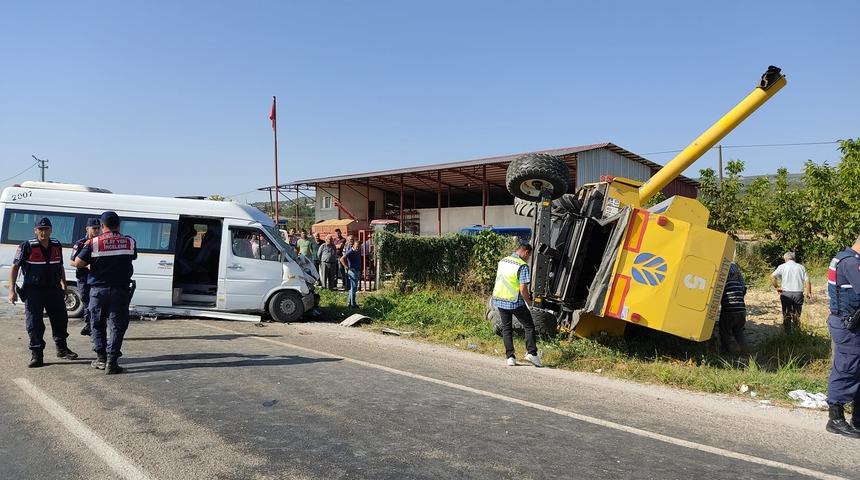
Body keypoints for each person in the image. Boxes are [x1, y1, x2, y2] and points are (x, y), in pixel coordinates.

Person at [8, 217, 79, 367]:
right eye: (40, 229)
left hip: (54, 289)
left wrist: (64, 285)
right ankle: (37, 354)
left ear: (51, 230)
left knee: (61, 320)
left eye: (46, 229)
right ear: (35, 231)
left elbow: (60, 266)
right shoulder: (26, 246)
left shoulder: (56, 245)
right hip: (33, 291)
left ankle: (62, 349)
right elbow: (15, 268)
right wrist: (11, 290)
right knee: (34, 324)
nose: (43, 232)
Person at [73, 211, 138, 374]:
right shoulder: (130, 241)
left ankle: (101, 358)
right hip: (120, 291)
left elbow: (78, 263)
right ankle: (112, 362)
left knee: (97, 323)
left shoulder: (94, 242)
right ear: (119, 225)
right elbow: (133, 256)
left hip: (98, 291)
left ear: (102, 226)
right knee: (117, 326)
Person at [824, 233, 860, 438]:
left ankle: (857, 419)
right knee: (847, 368)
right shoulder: (850, 262)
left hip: (850, 324)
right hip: (848, 326)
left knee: (857, 369)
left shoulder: (845, 258)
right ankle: (835, 419)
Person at [492, 244, 541, 367]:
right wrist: (529, 302)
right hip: (515, 302)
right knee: (529, 326)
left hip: (500, 299)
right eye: (529, 256)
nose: (528, 259)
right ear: (526, 252)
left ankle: (510, 357)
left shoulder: (503, 261)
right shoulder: (522, 265)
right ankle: (532, 353)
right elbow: (523, 288)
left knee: (506, 329)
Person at [70, 218, 101, 336]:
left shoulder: (101, 242)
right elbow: (72, 262)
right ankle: (89, 325)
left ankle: (93, 326)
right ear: (87, 229)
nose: (97, 230)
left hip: (97, 278)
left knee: (96, 303)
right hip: (84, 277)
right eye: (94, 228)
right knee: (87, 301)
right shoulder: (80, 243)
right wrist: (86, 265)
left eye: (98, 228)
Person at [771, 252, 812, 333]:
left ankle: (787, 333)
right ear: (794, 258)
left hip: (786, 293)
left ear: (785, 259)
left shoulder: (782, 266)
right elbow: (807, 281)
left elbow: (772, 276)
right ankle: (797, 331)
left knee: (787, 314)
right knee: (797, 314)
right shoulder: (801, 267)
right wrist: (808, 292)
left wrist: (777, 287)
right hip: (798, 293)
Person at [718, 262, 748, 355]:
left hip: (729, 311)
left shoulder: (723, 284)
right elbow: (744, 290)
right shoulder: (738, 284)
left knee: (724, 330)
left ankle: (727, 351)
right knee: (738, 331)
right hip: (742, 310)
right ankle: (744, 351)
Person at [340, 239, 362, 308]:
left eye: (359, 246)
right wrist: (347, 267)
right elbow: (342, 259)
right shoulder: (350, 251)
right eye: (357, 246)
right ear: (353, 245)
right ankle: (353, 304)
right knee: (354, 288)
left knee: (352, 288)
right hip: (353, 272)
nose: (358, 248)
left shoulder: (357, 251)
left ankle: (349, 303)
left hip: (357, 271)